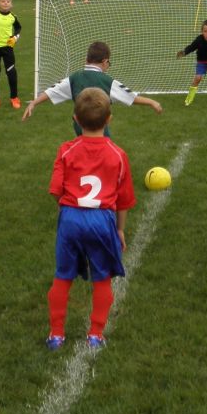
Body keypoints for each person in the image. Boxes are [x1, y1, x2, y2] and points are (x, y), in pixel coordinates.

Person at [45, 88, 135, 351]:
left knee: (63, 276)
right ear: (109, 119)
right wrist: (120, 230)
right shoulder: (118, 154)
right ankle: (95, 335)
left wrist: (68, 210)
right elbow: (124, 199)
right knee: (102, 278)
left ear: (75, 119)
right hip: (101, 220)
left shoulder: (66, 150)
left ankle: (56, 335)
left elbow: (56, 190)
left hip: (70, 218)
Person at [23, 40, 162, 134]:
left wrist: (34, 103)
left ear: (86, 60)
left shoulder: (74, 78)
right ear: (105, 62)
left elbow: (51, 91)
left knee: (84, 150)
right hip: (99, 126)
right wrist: (151, 102)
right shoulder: (107, 81)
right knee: (103, 153)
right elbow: (130, 97)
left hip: (79, 125)